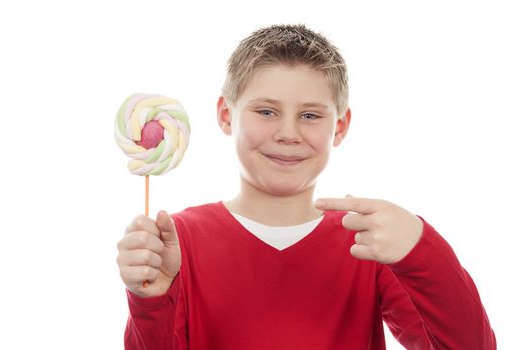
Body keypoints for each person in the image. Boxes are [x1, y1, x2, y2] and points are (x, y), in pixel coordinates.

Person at [116, 24, 496, 349]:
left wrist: (420, 247)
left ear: (340, 127)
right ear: (226, 114)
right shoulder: (175, 241)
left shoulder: (367, 244)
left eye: (310, 115)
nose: (287, 133)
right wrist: (151, 299)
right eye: (266, 111)